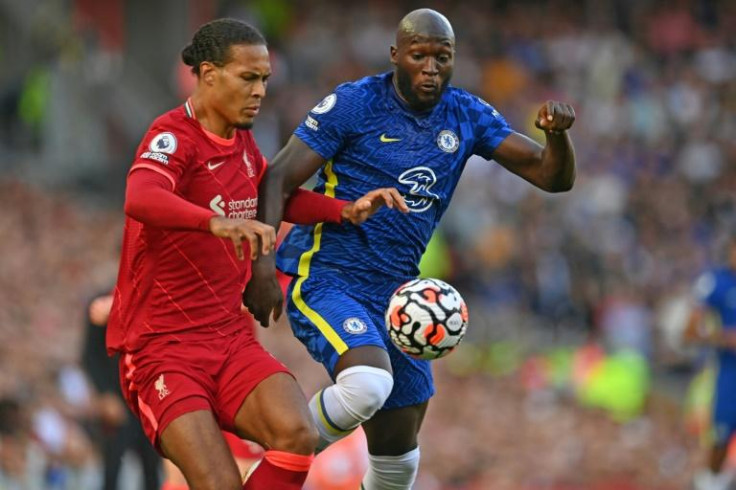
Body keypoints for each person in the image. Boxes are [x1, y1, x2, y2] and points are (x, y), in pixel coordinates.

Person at [244, 8, 576, 489]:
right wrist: (262, 264)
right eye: (419, 55)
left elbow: (552, 176)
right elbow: (276, 175)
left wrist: (557, 136)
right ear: (396, 55)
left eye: (443, 57)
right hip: (328, 276)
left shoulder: (466, 115)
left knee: (399, 462)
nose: (431, 67)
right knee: (367, 386)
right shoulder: (355, 104)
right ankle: (272, 458)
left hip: (398, 296)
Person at [106, 18, 406, 490]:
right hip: (162, 350)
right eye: (248, 77)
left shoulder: (242, 142)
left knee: (297, 434)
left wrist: (343, 210)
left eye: (265, 79)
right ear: (209, 75)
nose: (260, 90)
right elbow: (140, 197)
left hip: (229, 339)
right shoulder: (172, 137)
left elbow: (274, 196)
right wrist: (214, 221)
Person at [81, 291, 161, 490]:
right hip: (116, 400)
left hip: (147, 398)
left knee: (152, 465)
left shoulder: (152, 298)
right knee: (113, 464)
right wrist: (105, 394)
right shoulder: (101, 301)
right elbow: (90, 356)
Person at [684, 237, 736, 490]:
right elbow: (690, 332)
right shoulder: (715, 283)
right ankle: (710, 482)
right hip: (729, 373)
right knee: (720, 438)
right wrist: (723, 337)